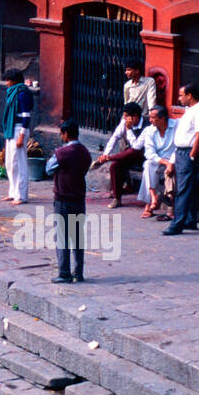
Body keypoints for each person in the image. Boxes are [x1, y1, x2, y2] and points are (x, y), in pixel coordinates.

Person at [46, 119, 92, 284]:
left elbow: (49, 168)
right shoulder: (85, 152)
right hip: (79, 199)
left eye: (61, 133)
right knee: (77, 237)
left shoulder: (62, 153)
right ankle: (78, 272)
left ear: (66, 134)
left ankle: (64, 272)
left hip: (63, 199)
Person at [164, 82, 199, 235]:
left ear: (190, 96)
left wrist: (192, 154)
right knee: (189, 187)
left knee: (183, 189)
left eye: (181, 95)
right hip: (182, 152)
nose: (179, 98)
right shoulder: (190, 111)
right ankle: (189, 219)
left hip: (188, 152)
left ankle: (178, 223)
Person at [96, 102, 145, 209]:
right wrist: (106, 153)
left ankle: (109, 159)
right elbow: (114, 137)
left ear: (135, 117)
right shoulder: (124, 122)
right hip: (130, 155)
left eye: (127, 116)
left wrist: (128, 130)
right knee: (115, 166)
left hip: (144, 155)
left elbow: (136, 146)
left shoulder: (146, 126)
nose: (124, 118)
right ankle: (117, 198)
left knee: (132, 151)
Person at [136, 105, 177, 218]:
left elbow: (178, 147)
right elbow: (149, 152)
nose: (150, 120)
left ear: (162, 118)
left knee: (171, 172)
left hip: (174, 159)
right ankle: (153, 197)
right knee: (148, 164)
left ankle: (150, 205)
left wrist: (171, 163)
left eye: (153, 118)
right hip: (158, 160)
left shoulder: (176, 126)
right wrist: (165, 163)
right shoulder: (150, 130)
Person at [1, 69, 34, 205]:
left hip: (19, 129)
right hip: (11, 129)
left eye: (8, 80)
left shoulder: (22, 94)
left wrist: (21, 136)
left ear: (14, 81)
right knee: (10, 163)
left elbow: (26, 116)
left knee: (20, 163)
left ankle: (21, 196)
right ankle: (13, 193)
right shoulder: (13, 93)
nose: (6, 83)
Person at [122, 59, 156, 126]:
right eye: (126, 70)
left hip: (143, 117)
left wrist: (152, 115)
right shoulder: (127, 85)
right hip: (130, 117)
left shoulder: (149, 82)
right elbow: (126, 103)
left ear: (137, 71)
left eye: (128, 70)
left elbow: (151, 100)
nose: (126, 72)